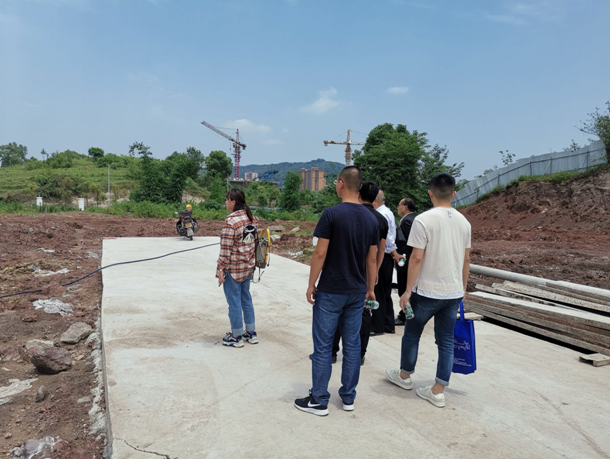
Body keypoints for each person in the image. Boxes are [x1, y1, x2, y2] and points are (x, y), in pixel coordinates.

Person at [294, 166, 379, 416]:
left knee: (323, 345)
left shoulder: (331, 214)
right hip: (357, 291)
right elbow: (371, 259)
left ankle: (319, 399)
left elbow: (320, 253)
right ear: (360, 186)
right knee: (352, 345)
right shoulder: (371, 219)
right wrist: (370, 289)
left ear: (341, 183)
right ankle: (348, 397)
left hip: (331, 289)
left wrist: (311, 283)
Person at [384, 173, 471, 408]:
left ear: (430, 193)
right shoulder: (464, 222)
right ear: (454, 193)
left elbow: (416, 258)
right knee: (446, 341)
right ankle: (438, 391)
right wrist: (463, 288)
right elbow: (466, 260)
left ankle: (404, 376)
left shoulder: (423, 220)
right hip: (452, 293)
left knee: (412, 334)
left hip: (425, 292)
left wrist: (407, 290)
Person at [331, 181, 388, 366]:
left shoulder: (347, 214)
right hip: (366, 272)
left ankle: (331, 352)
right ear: (375, 198)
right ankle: (359, 354)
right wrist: (375, 272)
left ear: (358, 194)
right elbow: (381, 250)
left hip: (345, 268)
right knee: (364, 312)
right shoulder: (381, 220)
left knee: (337, 310)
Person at [216, 189, 258, 348]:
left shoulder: (231, 221)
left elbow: (226, 250)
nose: (225, 202)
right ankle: (251, 333)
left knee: (234, 302)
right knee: (246, 299)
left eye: (227, 199)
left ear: (233, 202)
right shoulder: (251, 218)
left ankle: (236, 336)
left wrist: (220, 269)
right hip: (247, 267)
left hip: (233, 269)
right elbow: (251, 243)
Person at [371, 190, 397, 335]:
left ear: (375, 200)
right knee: (385, 292)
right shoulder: (388, 212)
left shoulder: (380, 215)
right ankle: (388, 324)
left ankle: (377, 326)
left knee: (378, 291)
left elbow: (386, 239)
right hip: (387, 256)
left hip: (382, 255)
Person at [392, 198, 417, 326]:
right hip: (411, 261)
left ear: (405, 207)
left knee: (404, 289)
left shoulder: (407, 221)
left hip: (406, 261)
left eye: (399, 205)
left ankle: (405, 315)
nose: (398, 208)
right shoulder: (414, 219)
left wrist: (399, 254)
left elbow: (409, 243)